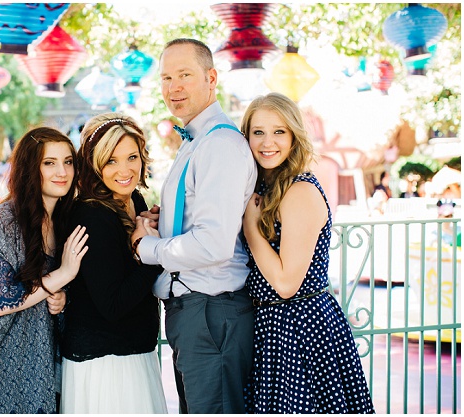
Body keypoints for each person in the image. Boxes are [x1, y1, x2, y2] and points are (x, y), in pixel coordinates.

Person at [133, 38, 257, 413]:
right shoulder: (196, 140)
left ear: (211, 77)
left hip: (211, 312)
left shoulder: (218, 145)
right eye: (167, 77)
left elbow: (213, 245)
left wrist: (146, 248)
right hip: (196, 314)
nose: (174, 87)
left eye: (185, 75)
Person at [239, 93, 375, 413]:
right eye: (258, 132)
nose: (267, 142)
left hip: (300, 328)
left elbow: (287, 283)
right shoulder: (264, 188)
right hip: (271, 326)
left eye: (279, 131)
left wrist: (250, 227)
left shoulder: (299, 191)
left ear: (294, 136)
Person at [0, 127, 88, 414]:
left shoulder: (65, 219)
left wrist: (61, 296)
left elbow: (53, 286)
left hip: (47, 352)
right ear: (31, 167)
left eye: (68, 161)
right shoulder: (5, 221)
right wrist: (61, 275)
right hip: (8, 358)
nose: (62, 171)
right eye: (49, 163)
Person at [61, 113, 167, 413]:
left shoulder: (135, 200)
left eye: (132, 157)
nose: (125, 169)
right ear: (95, 165)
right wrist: (150, 251)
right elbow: (112, 304)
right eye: (111, 160)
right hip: (105, 364)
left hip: (133, 350)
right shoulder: (92, 215)